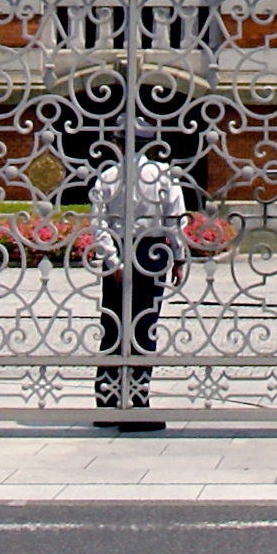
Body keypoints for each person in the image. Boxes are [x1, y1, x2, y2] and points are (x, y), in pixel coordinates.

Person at [88, 139, 191, 429]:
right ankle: (136, 402)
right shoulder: (162, 175)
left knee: (114, 326)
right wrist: (179, 258)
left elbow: (98, 223)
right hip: (151, 250)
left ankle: (107, 402)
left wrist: (112, 261)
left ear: (119, 143)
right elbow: (175, 221)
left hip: (119, 247)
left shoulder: (109, 176)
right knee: (143, 326)